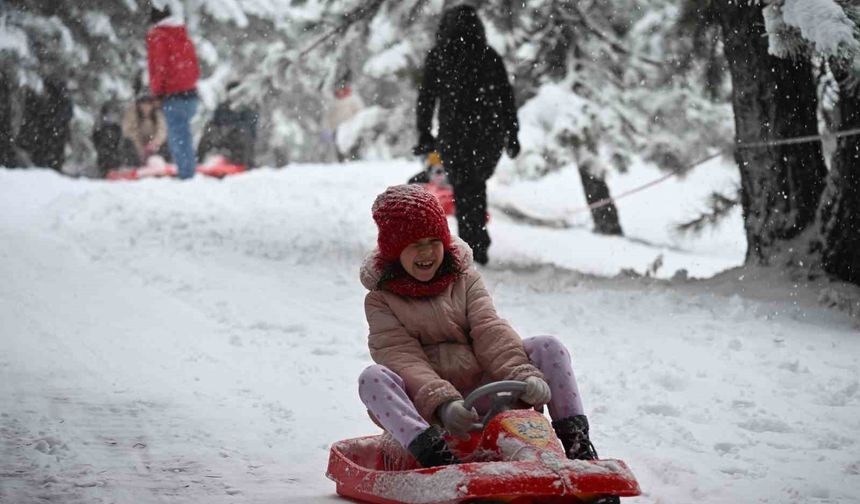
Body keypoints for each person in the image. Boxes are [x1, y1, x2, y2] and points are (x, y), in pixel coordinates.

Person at [358, 185, 607, 473]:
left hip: (488, 392)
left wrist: (523, 374)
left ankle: (577, 444)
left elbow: (489, 329)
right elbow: (401, 356)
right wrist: (442, 403)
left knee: (547, 346)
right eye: (414, 244)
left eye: (434, 241)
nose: (426, 251)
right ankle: (437, 458)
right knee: (373, 378)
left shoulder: (465, 280)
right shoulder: (380, 300)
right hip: (427, 409)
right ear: (394, 250)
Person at [414, 5, 520, 265]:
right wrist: (512, 133)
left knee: (464, 187)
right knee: (475, 184)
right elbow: (506, 98)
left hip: (454, 133)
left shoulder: (439, 56)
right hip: (489, 133)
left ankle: (471, 244)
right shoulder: (489, 56)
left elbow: (426, 98)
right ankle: (476, 242)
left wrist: (425, 133)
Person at [147, 5, 200, 179]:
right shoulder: (183, 36)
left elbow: (159, 68)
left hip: (173, 95)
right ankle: (188, 170)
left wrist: (157, 92)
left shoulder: (159, 36)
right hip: (191, 94)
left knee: (178, 137)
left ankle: (186, 174)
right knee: (184, 134)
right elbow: (195, 67)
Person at [16, 76, 73, 172]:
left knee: (47, 164)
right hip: (50, 143)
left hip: (48, 143)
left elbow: (52, 121)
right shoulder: (59, 101)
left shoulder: (55, 102)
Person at [197, 82, 259, 168]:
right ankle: (199, 161)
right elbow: (214, 121)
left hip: (237, 138)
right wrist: (217, 129)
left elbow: (250, 127)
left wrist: (232, 128)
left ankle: (243, 163)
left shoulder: (246, 109)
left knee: (243, 133)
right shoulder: (222, 107)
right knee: (208, 130)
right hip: (222, 136)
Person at [92, 100, 138, 177]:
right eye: (108, 115)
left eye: (112, 115)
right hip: (105, 160)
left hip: (118, 158)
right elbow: (96, 143)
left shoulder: (118, 128)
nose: (110, 118)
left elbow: (121, 142)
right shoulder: (99, 129)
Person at [322, 80, 365, 162]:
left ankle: (355, 161)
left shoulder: (353, 99)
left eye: (341, 88)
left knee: (353, 148)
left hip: (351, 129)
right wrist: (326, 129)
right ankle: (342, 163)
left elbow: (361, 113)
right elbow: (327, 117)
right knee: (339, 150)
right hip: (336, 130)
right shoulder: (332, 101)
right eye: (337, 89)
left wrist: (357, 126)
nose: (339, 91)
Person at [121, 94, 168, 165]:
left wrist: (154, 144)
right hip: (137, 147)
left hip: (154, 146)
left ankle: (164, 162)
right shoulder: (131, 114)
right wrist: (140, 149)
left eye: (148, 104)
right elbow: (130, 133)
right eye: (143, 104)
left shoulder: (158, 115)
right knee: (127, 143)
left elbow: (162, 131)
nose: (146, 107)